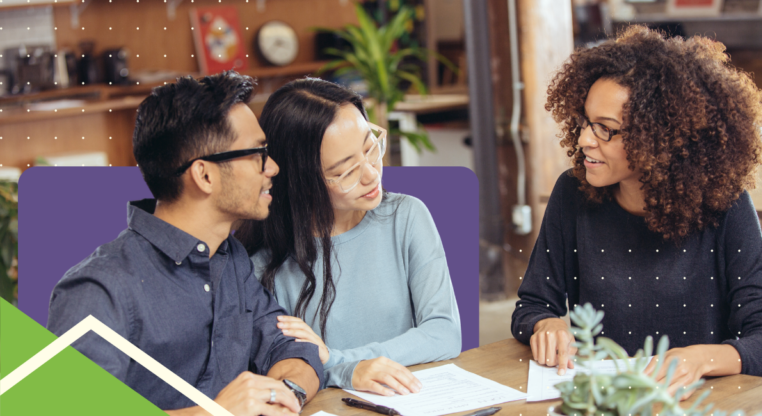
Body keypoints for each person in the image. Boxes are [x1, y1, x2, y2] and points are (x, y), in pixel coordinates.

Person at [511, 26, 762, 399]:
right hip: (605, 400)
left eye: (606, 129)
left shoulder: (725, 205)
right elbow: (532, 305)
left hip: (701, 402)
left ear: (661, 138)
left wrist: (702, 359)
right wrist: (545, 324)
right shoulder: (572, 193)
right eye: (585, 122)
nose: (584, 140)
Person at [47, 71, 322, 416]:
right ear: (204, 175)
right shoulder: (99, 288)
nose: (273, 167)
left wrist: (286, 393)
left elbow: (292, 347)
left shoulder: (229, 258)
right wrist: (215, 412)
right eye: (258, 154)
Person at [235, 78, 462, 395]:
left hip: (414, 399)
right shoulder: (262, 265)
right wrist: (345, 373)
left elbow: (444, 334)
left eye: (371, 149)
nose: (371, 174)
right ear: (301, 180)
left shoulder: (408, 217)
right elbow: (279, 372)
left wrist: (341, 362)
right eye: (345, 171)